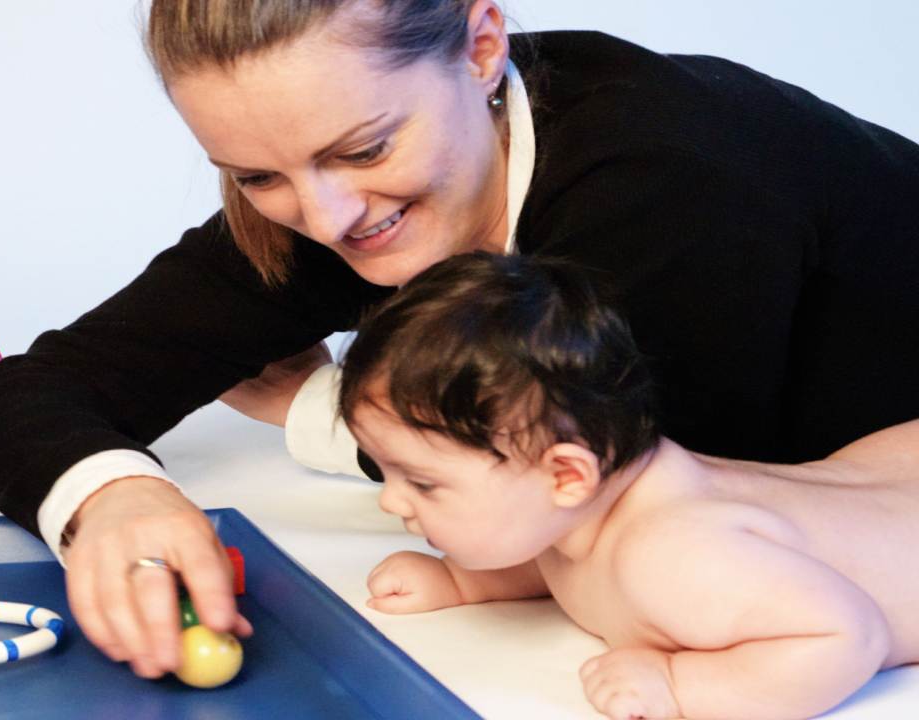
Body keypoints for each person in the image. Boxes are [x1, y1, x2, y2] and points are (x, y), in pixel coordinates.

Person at [0, 0, 918, 683]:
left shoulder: (672, 179)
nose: (326, 219)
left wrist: (321, 413)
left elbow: (594, 484)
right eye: (254, 175)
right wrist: (115, 499)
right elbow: (32, 391)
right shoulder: (322, 190)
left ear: (482, 46)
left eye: (365, 149)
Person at [338, 251, 919, 720]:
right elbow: (553, 551)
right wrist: (464, 579)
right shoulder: (579, 511)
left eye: (423, 483)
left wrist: (678, 683)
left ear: (567, 475)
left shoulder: (677, 556)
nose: (392, 501)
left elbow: (847, 636)